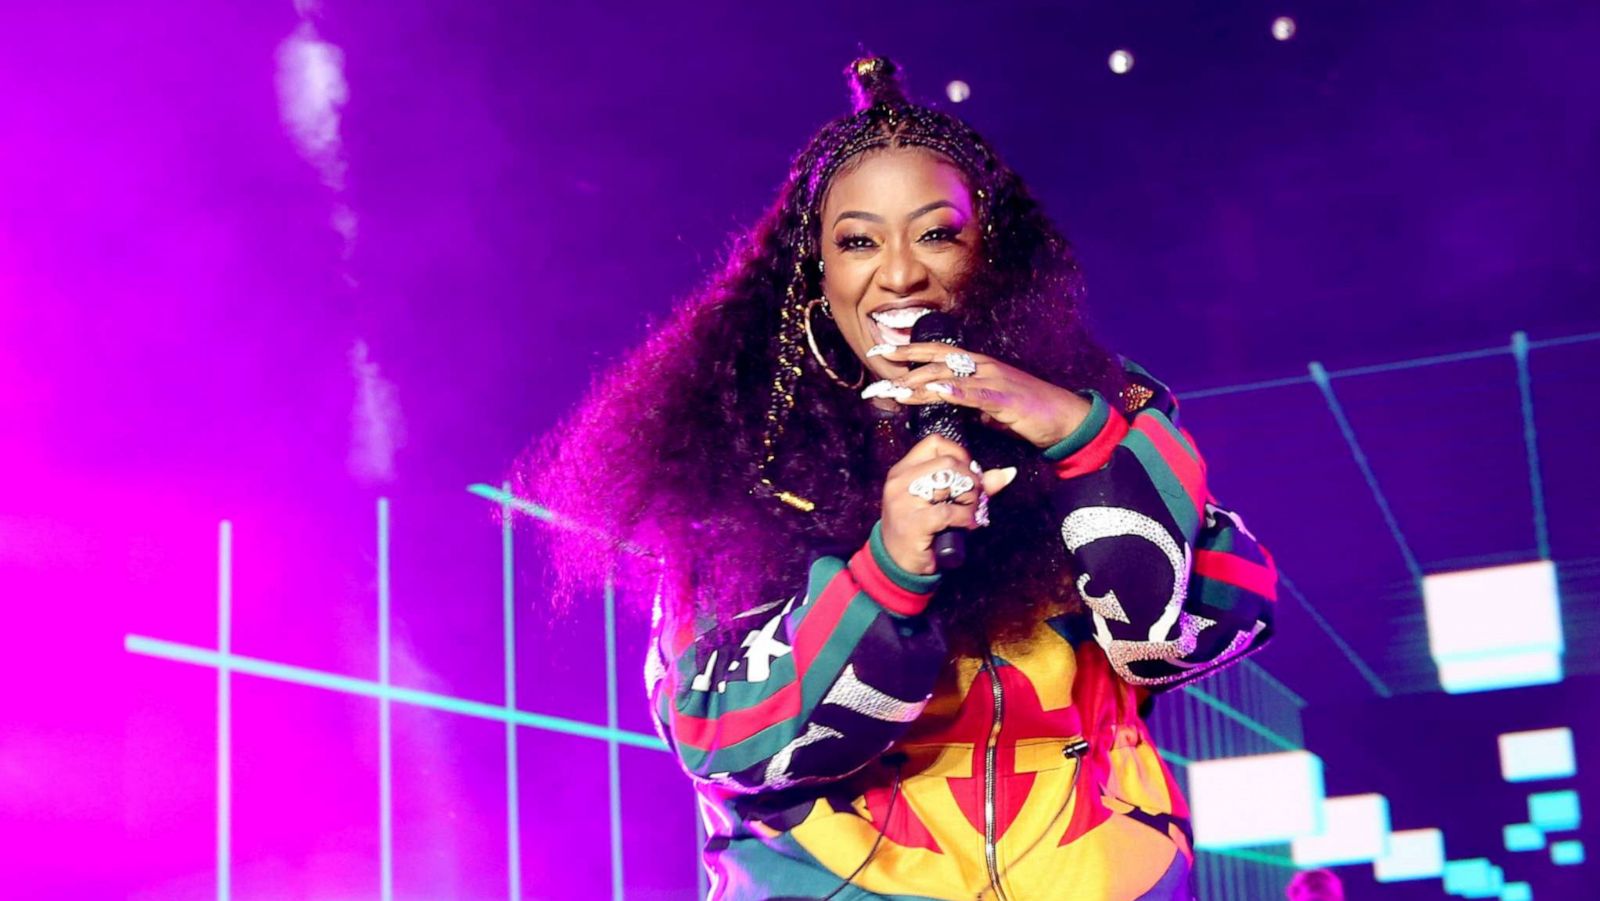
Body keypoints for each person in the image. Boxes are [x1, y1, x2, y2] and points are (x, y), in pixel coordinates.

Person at [524, 56, 1278, 901]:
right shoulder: (735, 466)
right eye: (857, 240)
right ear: (815, 272)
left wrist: (1076, 433)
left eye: (936, 232)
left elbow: (1196, 632)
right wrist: (889, 569)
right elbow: (720, 736)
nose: (900, 272)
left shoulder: (1112, 411)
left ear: (991, 252)